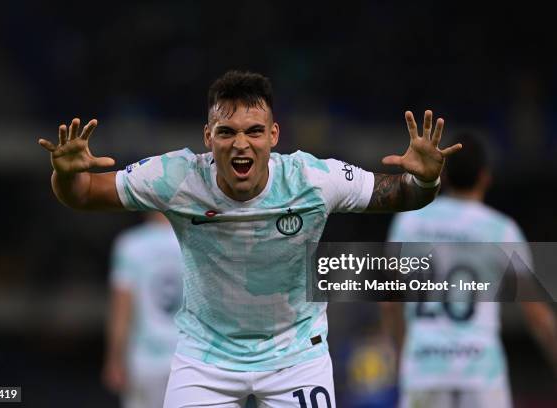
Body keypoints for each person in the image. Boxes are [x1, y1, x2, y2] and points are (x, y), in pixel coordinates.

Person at [38, 70, 461, 407]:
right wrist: (66, 173)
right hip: (205, 359)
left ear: (273, 136)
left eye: (254, 131)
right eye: (227, 132)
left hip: (296, 356)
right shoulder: (176, 177)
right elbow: (83, 195)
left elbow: (404, 194)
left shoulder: (312, 180)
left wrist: (426, 179)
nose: (241, 143)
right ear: (208, 138)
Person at [384, 133, 557, 408]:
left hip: (424, 369)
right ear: (486, 177)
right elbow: (536, 314)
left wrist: (402, 354)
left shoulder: (407, 224)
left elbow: (390, 302)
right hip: (481, 373)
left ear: (445, 176)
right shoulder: (501, 230)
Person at [102, 211, 183, 408]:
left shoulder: (131, 245)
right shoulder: (197, 240)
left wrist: (114, 359)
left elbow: (122, 309)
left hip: (145, 360)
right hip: (191, 359)